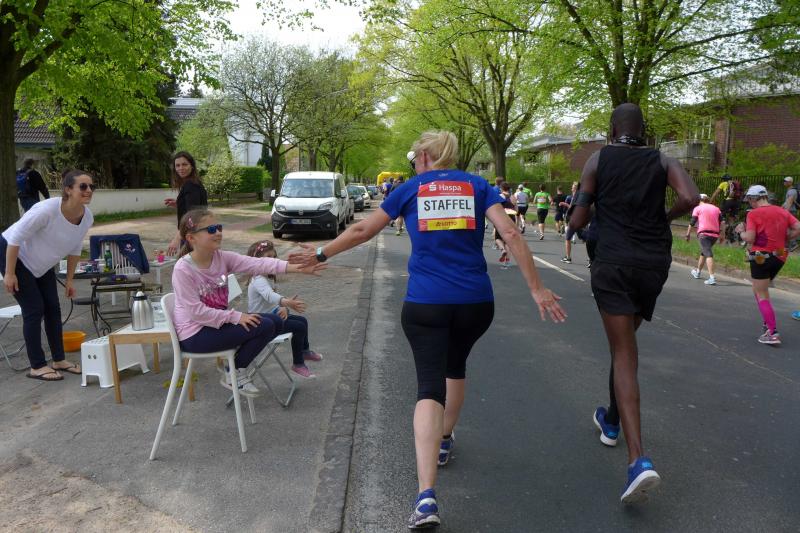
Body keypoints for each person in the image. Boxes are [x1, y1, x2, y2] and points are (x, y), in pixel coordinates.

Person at [288, 131, 566, 530]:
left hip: (427, 303)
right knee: (456, 366)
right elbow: (510, 233)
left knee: (429, 388)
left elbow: (363, 231)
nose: (414, 163)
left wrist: (320, 253)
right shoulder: (477, 186)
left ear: (424, 156)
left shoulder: (411, 189)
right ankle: (445, 439)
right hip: (474, 303)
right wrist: (537, 289)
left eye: (414, 158)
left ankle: (426, 497)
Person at [569, 103, 699, 504]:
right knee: (623, 344)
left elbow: (577, 220)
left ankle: (638, 459)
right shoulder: (662, 159)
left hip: (612, 260)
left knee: (624, 353)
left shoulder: (597, 159)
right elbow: (690, 197)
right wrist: (664, 217)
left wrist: (586, 209)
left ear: (612, 129)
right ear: (644, 131)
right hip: (652, 263)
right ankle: (610, 420)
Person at [171, 209, 325, 394]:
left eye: (219, 227)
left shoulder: (222, 257)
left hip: (216, 325)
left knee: (275, 321)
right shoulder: (183, 269)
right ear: (191, 238)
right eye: (211, 229)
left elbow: (258, 263)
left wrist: (298, 268)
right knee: (264, 326)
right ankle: (234, 371)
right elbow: (196, 313)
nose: (218, 232)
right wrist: (236, 316)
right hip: (195, 335)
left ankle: (234, 368)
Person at [1, 170, 96, 380]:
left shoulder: (87, 217)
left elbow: (75, 248)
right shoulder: (47, 210)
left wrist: (69, 280)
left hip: (42, 264)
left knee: (53, 307)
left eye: (91, 186)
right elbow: (15, 238)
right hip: (13, 254)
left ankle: (59, 359)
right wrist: (9, 273)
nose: (89, 190)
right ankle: (37, 366)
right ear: (68, 189)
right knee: (34, 308)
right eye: (83, 186)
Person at [246, 239, 323, 379]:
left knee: (302, 321)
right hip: (261, 323)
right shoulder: (258, 279)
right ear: (257, 260)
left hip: (270, 316)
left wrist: (282, 307)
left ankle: (304, 351)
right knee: (298, 327)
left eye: (274, 256)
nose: (273, 260)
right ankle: (298, 364)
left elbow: (271, 301)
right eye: (268, 257)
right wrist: (286, 303)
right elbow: (269, 296)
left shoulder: (267, 277)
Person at [733, 185, 800, 345]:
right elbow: (798, 227)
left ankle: (772, 333)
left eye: (749, 200)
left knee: (761, 292)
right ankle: (767, 320)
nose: (749, 203)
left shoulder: (753, 214)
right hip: (780, 255)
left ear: (753, 198)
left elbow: (750, 238)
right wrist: (787, 238)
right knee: (759, 289)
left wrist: (740, 231)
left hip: (760, 257)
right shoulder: (782, 211)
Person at [166, 152, 208, 256]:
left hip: (192, 236)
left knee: (188, 264)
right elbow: (197, 207)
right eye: (177, 165)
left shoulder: (191, 185)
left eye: (184, 164)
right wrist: (179, 204)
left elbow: (192, 216)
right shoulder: (194, 183)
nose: (181, 168)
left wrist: (177, 238)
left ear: (192, 166)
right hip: (197, 234)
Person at [685, 193, 724, 285]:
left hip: (704, 234)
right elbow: (722, 222)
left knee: (708, 254)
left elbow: (692, 222)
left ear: (699, 200)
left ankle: (712, 278)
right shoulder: (716, 208)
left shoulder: (697, 208)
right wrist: (723, 235)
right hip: (714, 235)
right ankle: (698, 272)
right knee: (704, 252)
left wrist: (688, 234)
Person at [709, 174, 742, 244]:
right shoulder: (735, 184)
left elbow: (716, 193)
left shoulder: (723, 183)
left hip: (728, 201)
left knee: (721, 219)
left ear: (724, 179)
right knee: (731, 219)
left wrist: (710, 201)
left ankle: (722, 237)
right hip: (737, 202)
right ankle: (730, 237)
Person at [781, 176, 798, 252]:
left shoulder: (792, 191)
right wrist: (781, 208)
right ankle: (788, 245)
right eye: (784, 181)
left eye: (786, 181)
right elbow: (786, 202)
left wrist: (785, 211)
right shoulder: (790, 190)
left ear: (790, 182)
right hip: (790, 211)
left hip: (790, 211)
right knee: (787, 227)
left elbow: (790, 202)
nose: (784, 182)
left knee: (788, 227)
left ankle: (793, 244)